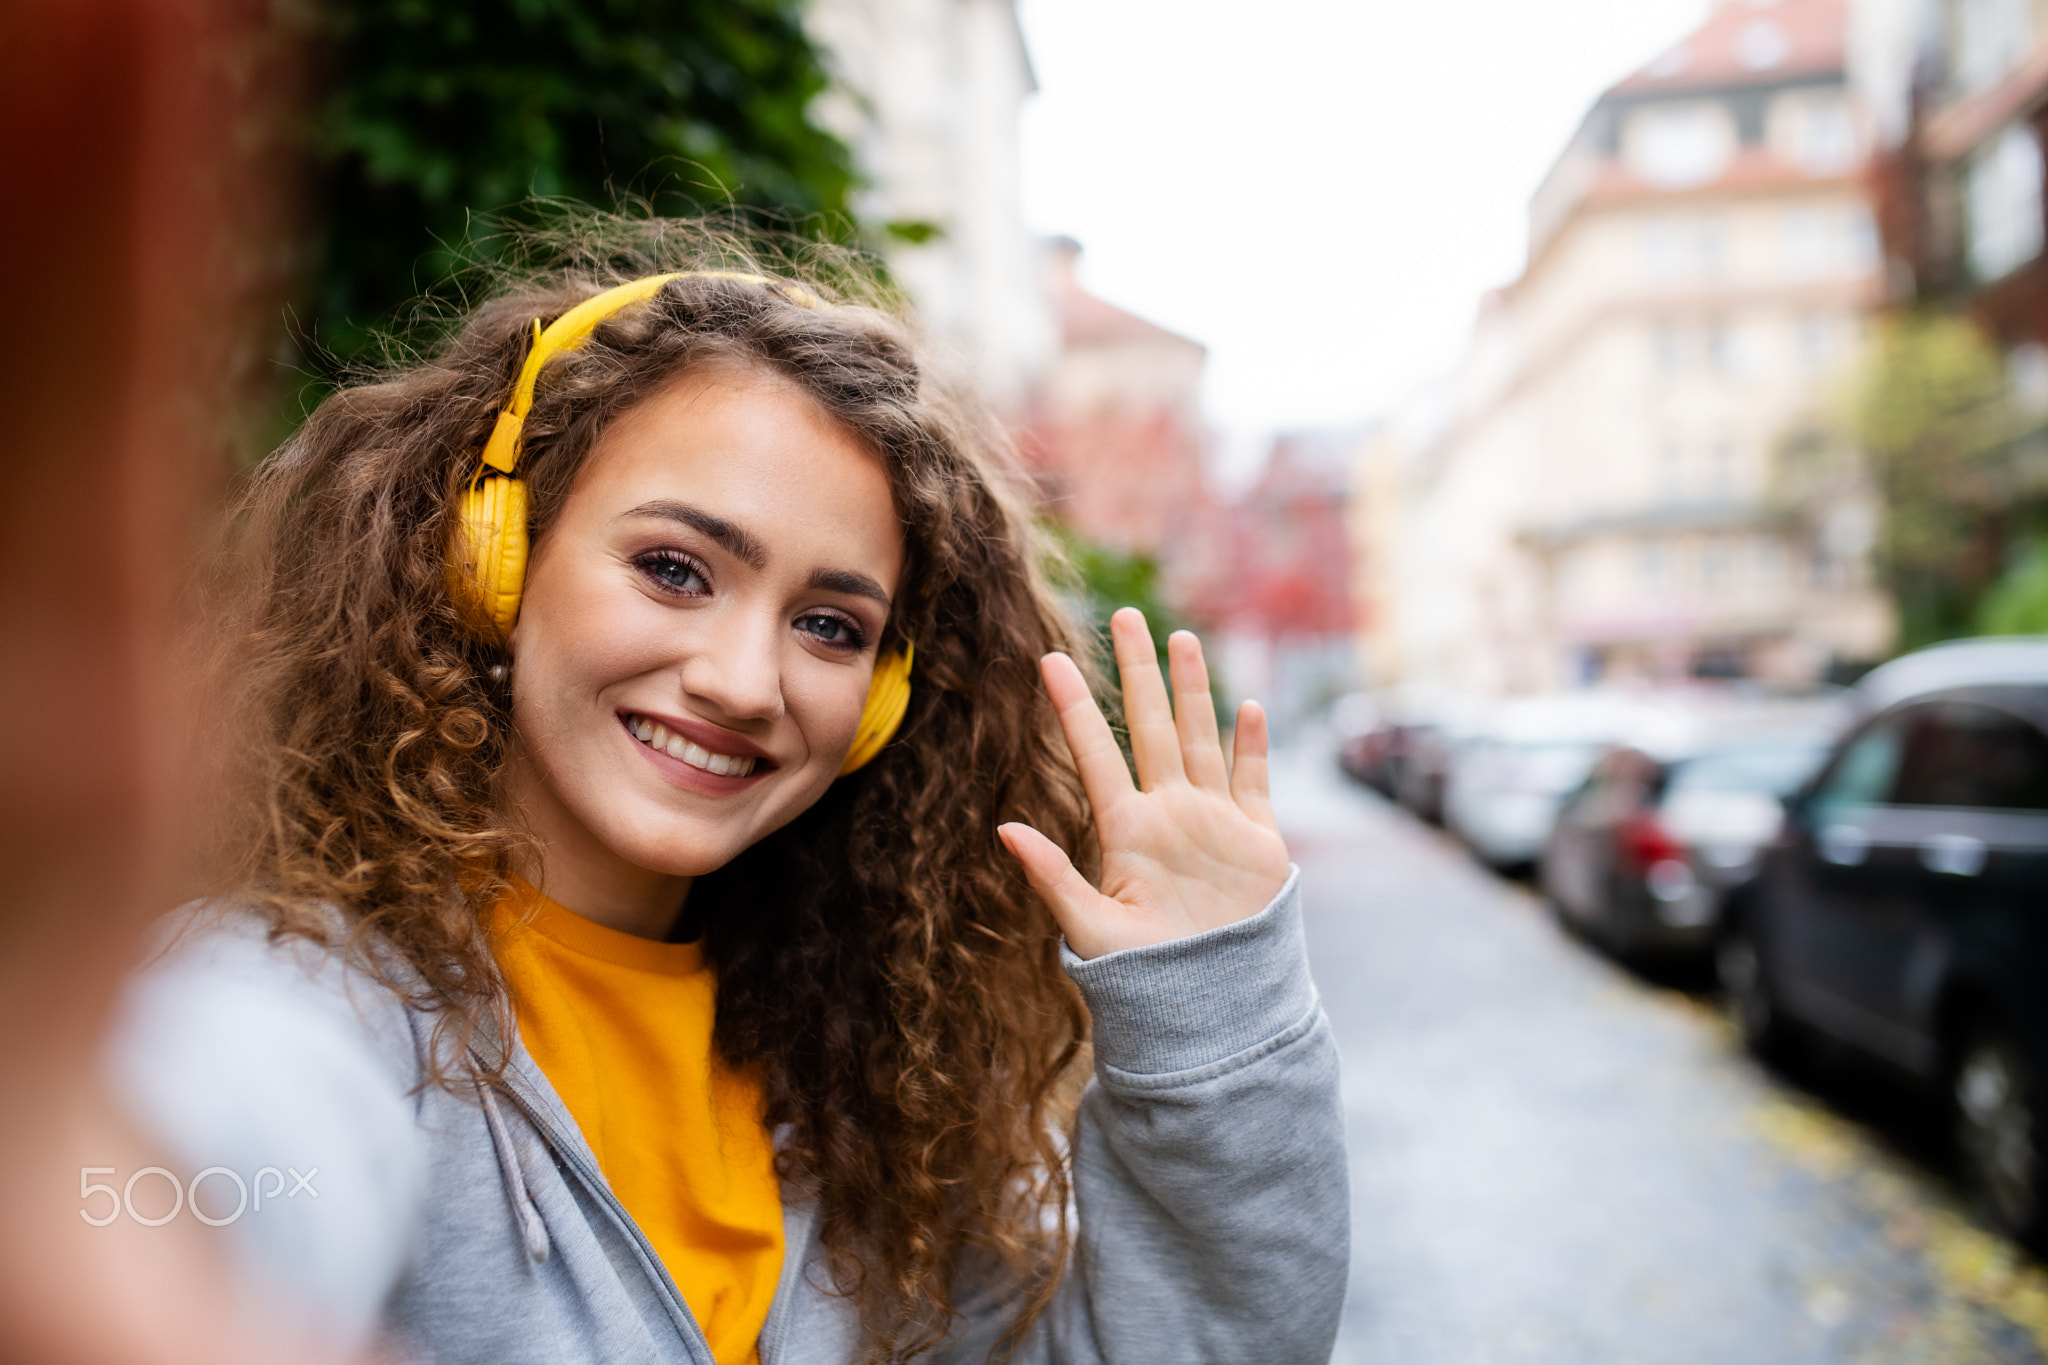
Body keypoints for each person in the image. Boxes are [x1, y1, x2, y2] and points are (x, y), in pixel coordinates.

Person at [110, 230, 1348, 1364]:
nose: (744, 681)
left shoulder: (869, 1080)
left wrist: (1212, 1020)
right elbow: (182, 1164)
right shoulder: (299, 1006)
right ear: (492, 558)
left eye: (827, 623)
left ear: (877, 702)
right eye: (671, 569)